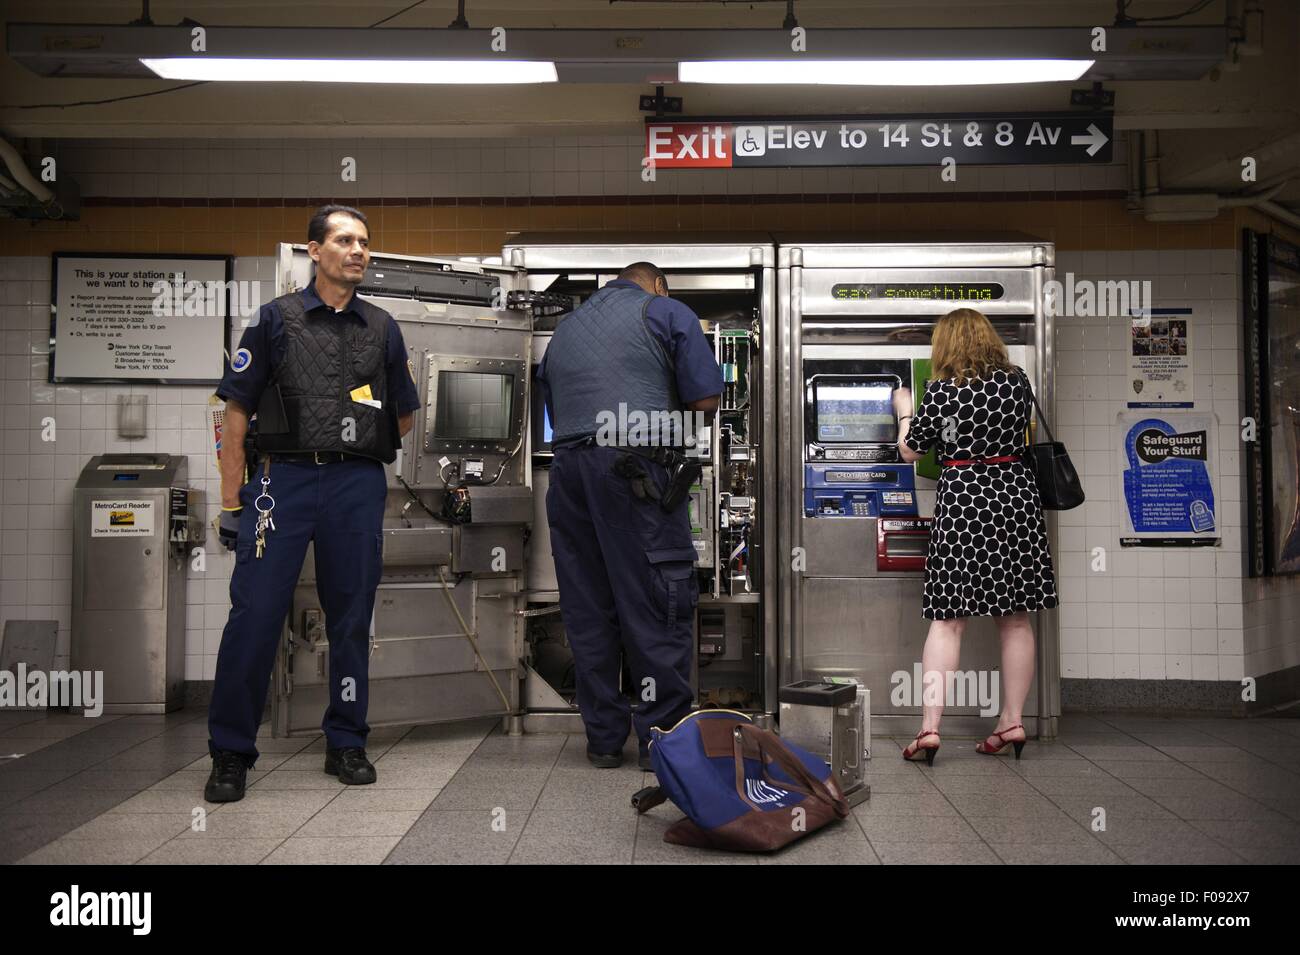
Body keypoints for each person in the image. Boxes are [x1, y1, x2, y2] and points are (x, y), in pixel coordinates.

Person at [204, 205, 421, 802]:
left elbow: (402, 414)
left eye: (365, 242)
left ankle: (346, 741)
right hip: (282, 482)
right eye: (345, 240)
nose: (359, 251)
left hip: (355, 486)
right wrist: (231, 501)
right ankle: (230, 753)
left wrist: (351, 435)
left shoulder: (383, 327)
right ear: (314, 251)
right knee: (255, 616)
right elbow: (236, 412)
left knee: (351, 620)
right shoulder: (275, 320)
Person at [537, 262, 723, 771]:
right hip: (634, 468)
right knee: (656, 600)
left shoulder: (565, 330)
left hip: (569, 474)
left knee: (588, 606)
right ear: (658, 284)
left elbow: (553, 403)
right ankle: (661, 740)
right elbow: (706, 399)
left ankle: (602, 740)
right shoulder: (666, 311)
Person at [892, 307, 1058, 765]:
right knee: (1016, 619)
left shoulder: (942, 392)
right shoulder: (1017, 381)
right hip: (1015, 498)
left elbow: (910, 452)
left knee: (948, 620)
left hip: (965, 500)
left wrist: (905, 413)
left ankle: (929, 729)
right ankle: (1013, 719)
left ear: (944, 346)